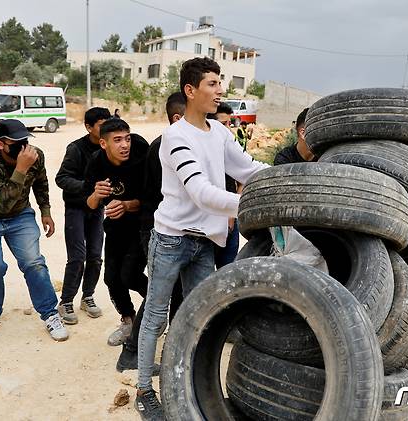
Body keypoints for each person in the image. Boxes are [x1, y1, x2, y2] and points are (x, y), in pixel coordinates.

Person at [135, 57, 269, 420]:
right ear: (190, 90)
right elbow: (201, 193)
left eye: (220, 82)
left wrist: (283, 177)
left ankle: (187, 380)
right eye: (212, 83)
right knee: (156, 316)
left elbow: (247, 168)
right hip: (171, 239)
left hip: (203, 243)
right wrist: (252, 203)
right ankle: (145, 390)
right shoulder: (176, 137)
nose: (220, 90)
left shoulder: (220, 131)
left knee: (200, 317)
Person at [0, 119, 68, 342]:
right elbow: (1, 203)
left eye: (25, 140)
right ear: (1, 144)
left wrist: (46, 210)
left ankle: (50, 314)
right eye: (16, 142)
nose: (23, 146)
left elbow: (41, 183)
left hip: (20, 215)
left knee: (34, 263)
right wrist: (21, 168)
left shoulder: (35, 155)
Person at [115, 92, 186, 374]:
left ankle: (174, 348)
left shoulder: (177, 142)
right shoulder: (167, 146)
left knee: (175, 289)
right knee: (161, 290)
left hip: (166, 227)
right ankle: (131, 353)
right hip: (159, 228)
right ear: (178, 117)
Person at [83, 119, 150, 347]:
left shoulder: (142, 153)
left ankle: (156, 308)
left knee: (130, 275)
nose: (125, 145)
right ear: (103, 143)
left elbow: (155, 198)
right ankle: (128, 321)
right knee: (112, 278)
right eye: (118, 140)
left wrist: (128, 204)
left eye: (127, 138)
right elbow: (90, 205)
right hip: (115, 227)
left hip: (143, 226)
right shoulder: (96, 162)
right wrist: (96, 194)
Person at [55, 107, 111, 324]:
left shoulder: (108, 149)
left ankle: (87, 296)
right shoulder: (76, 149)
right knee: (77, 257)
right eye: (101, 125)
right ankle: (66, 301)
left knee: (96, 256)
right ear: (89, 127)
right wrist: (88, 187)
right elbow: (62, 178)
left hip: (97, 210)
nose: (106, 129)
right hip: (76, 208)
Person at [207, 102, 241, 268]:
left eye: (229, 124)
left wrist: (231, 213)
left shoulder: (232, 147)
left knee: (227, 272)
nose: (228, 128)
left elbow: (242, 180)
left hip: (230, 223)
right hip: (207, 223)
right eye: (223, 124)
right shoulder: (201, 151)